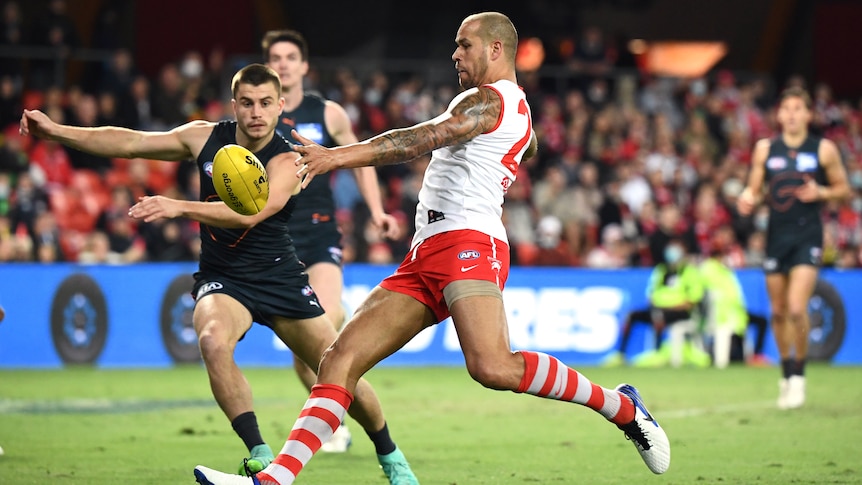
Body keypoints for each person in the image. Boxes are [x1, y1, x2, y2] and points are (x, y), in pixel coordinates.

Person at [193, 12, 670, 485]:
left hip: (468, 240)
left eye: (465, 45)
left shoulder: (488, 100)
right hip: (427, 250)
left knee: (491, 366)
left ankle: (622, 408)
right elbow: (524, 144)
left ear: (496, 49)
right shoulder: (509, 105)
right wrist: (518, 144)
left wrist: (335, 156)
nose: (455, 54)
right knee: (339, 359)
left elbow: (420, 138)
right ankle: (274, 480)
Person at [20, 63, 418, 484]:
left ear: (281, 106)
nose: (256, 112)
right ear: (234, 105)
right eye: (247, 103)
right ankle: (261, 454)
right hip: (225, 278)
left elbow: (251, 213)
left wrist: (179, 206)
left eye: (266, 103)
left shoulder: (289, 160)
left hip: (279, 276)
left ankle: (390, 454)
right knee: (211, 338)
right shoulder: (205, 136)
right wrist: (57, 131)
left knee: (338, 367)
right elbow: (133, 142)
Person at [261, 28, 402, 453]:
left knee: (325, 332)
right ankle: (335, 424)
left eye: (290, 57)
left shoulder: (329, 113)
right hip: (274, 241)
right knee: (307, 358)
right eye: (275, 57)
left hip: (320, 235)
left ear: (304, 66)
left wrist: (376, 210)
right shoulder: (255, 120)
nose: (283, 63)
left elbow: (361, 160)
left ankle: (348, 421)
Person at [737, 86, 850, 409]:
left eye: (798, 108)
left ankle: (798, 375)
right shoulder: (765, 149)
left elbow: (843, 190)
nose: (791, 114)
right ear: (779, 114)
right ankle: (785, 373)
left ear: (808, 114)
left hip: (808, 236)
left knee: (798, 308)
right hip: (777, 236)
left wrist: (822, 193)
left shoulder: (823, 149)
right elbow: (755, 191)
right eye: (786, 108)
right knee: (778, 311)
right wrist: (748, 199)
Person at [604, 238, 705, 367]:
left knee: (659, 316)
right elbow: (651, 293)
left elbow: (693, 300)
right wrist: (656, 304)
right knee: (632, 315)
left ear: (684, 251)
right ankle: (620, 354)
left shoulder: (690, 272)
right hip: (659, 309)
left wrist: (670, 306)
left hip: (681, 312)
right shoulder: (661, 270)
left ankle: (657, 353)